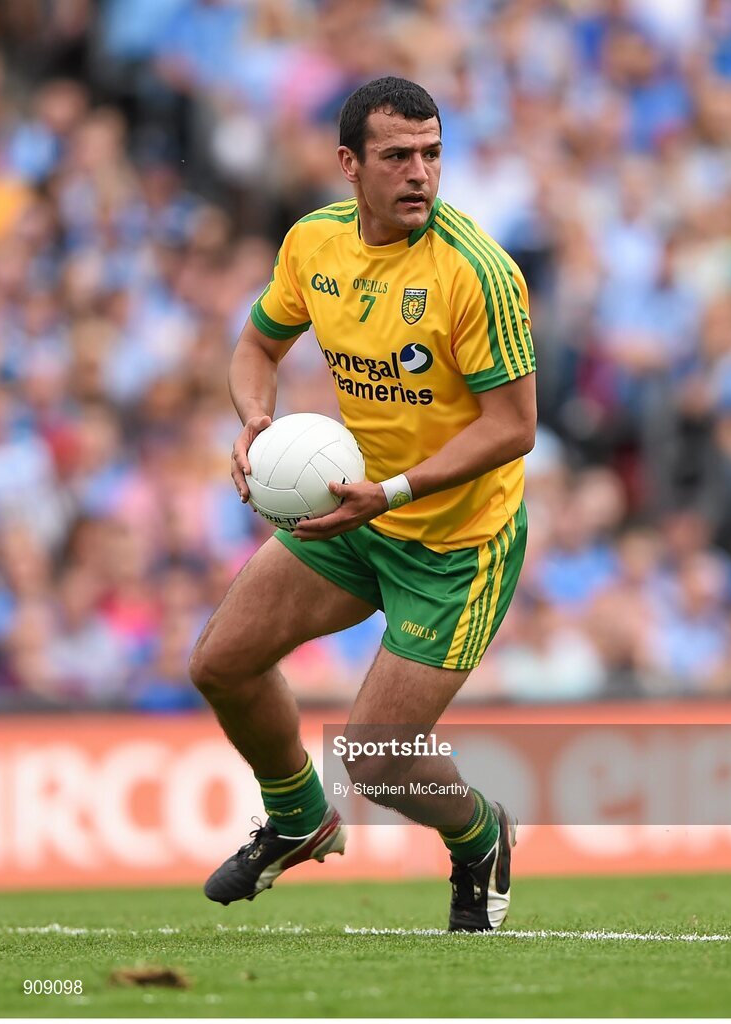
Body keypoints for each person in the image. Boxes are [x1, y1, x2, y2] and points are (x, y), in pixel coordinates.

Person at [189, 77, 536, 932]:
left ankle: (479, 834)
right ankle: (301, 817)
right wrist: (256, 421)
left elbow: (516, 427)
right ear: (350, 164)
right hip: (356, 516)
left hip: (457, 543)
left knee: (376, 758)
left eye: (432, 154)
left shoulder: (477, 273)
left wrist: (393, 492)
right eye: (397, 157)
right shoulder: (315, 244)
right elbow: (256, 345)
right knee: (220, 664)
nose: (420, 173)